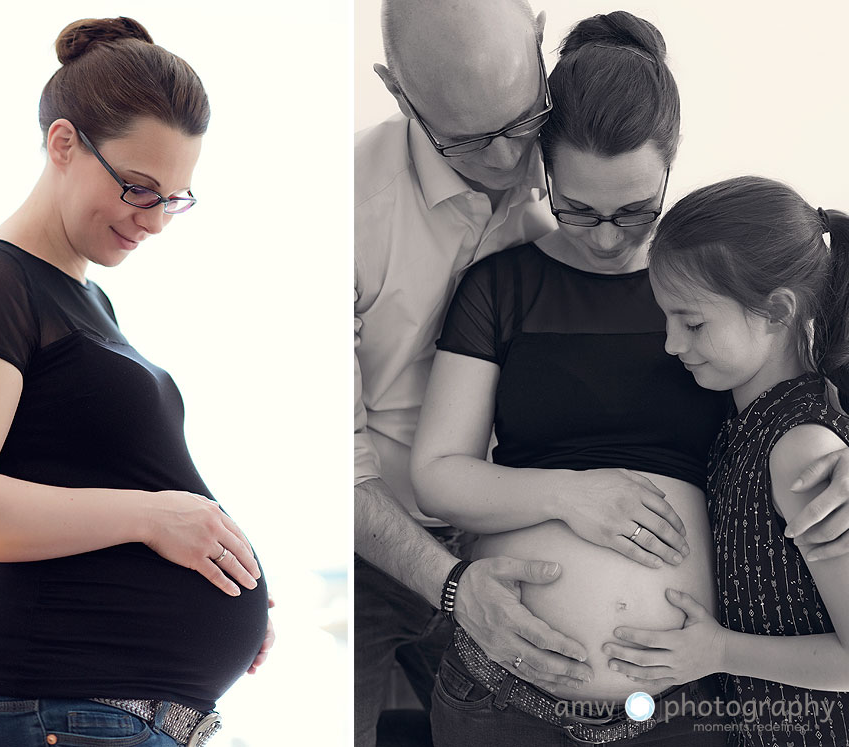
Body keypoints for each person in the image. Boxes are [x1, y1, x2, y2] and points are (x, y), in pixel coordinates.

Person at [409, 11, 849, 746]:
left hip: (690, 707)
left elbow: (809, 396)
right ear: (543, 168)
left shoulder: (722, 294)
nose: (609, 236)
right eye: (577, 208)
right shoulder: (500, 286)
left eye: (635, 209)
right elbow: (436, 475)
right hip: (501, 693)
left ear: (672, 162)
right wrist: (569, 494)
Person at [0, 17, 271, 747]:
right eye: (138, 188)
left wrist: (221, 559)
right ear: (64, 144)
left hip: (91, 714)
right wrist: (154, 519)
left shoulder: (88, 299)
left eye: (174, 198)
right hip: (47, 708)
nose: (155, 221)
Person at [354, 1, 594, 743]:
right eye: (467, 139)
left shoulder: (583, 174)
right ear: (398, 93)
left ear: (540, 40)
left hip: (507, 537)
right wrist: (455, 587)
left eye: (523, 120)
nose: (505, 162)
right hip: (358, 547)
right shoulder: (338, 209)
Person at [600, 177, 849, 745]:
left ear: (774, 311)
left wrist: (717, 651)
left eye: (692, 323)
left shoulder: (802, 450)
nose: (670, 344)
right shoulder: (743, 424)